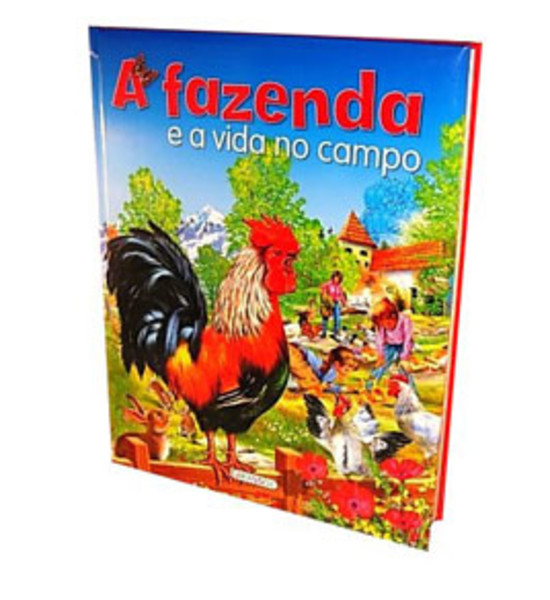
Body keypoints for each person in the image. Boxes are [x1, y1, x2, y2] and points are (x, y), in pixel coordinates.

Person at [366, 297, 413, 389]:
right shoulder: (381, 324)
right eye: (382, 325)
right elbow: (380, 339)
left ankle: (411, 391)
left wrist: (404, 357)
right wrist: (380, 354)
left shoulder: (405, 321)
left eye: (388, 323)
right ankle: (369, 387)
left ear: (394, 316)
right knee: (380, 366)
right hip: (390, 345)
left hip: (403, 346)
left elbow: (408, 339)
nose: (386, 327)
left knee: (404, 369)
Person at [288, 344, 358, 395]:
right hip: (294, 354)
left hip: (293, 351)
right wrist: (343, 389)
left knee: (311, 381)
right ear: (337, 364)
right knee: (312, 385)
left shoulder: (328, 366)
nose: (346, 373)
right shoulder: (332, 372)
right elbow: (325, 386)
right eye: (346, 370)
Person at [320, 271, 347, 338]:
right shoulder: (328, 284)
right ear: (333, 277)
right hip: (328, 303)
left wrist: (344, 302)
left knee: (337, 318)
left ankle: (335, 332)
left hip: (336, 303)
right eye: (335, 277)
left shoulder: (339, 287)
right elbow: (323, 290)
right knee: (325, 317)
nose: (336, 279)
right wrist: (325, 296)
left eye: (338, 278)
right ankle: (323, 332)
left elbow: (341, 295)